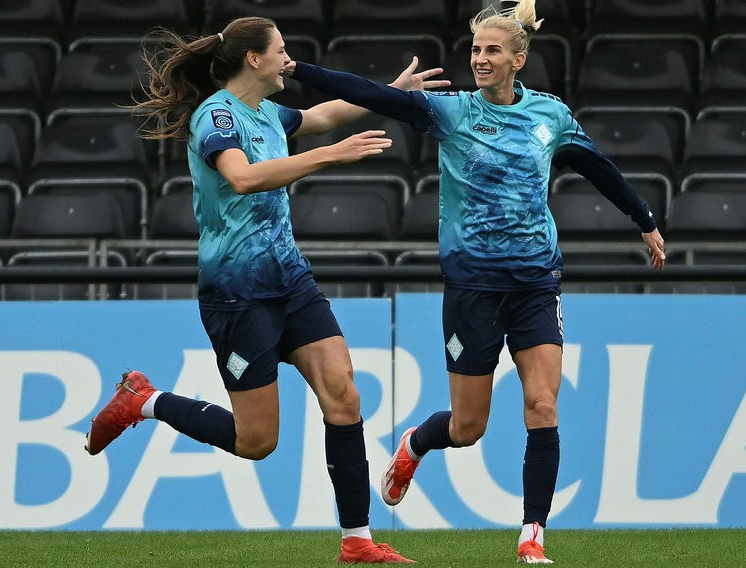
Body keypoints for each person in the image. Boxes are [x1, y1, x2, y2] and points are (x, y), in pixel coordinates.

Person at [282, 0, 667, 564]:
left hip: (536, 282)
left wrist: (645, 221)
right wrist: (301, 72)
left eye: (491, 51)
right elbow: (372, 94)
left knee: (542, 404)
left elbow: (598, 167)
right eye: (476, 50)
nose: (480, 59)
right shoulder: (451, 112)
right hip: (473, 288)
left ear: (519, 58)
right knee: (467, 428)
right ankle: (416, 443)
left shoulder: (550, 116)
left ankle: (532, 534)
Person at [83, 16, 449, 564]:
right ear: (254, 59)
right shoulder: (216, 117)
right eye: (281, 50)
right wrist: (330, 155)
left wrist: (393, 94)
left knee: (344, 396)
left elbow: (324, 114)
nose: (288, 59)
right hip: (237, 293)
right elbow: (244, 178)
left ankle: (357, 542)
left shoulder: (269, 112)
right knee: (257, 442)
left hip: (290, 279)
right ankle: (146, 400)